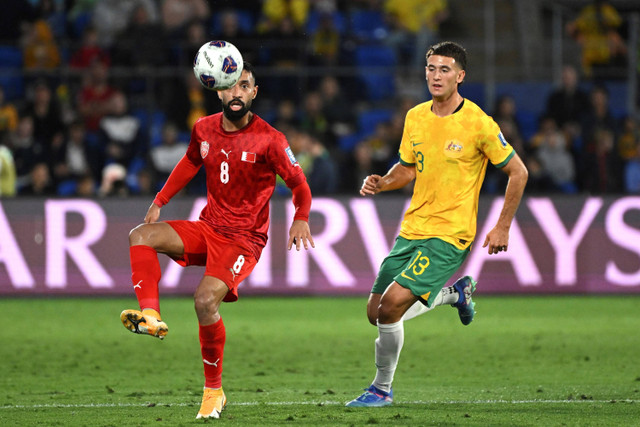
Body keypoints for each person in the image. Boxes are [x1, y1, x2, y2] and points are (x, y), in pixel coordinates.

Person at [119, 62, 315, 419]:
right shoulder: (204, 128)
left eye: (244, 86)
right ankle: (149, 314)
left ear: (254, 92)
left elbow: (300, 185)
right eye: (229, 86)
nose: (235, 93)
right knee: (140, 235)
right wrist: (159, 201)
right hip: (209, 227)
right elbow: (190, 162)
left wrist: (300, 218)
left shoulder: (271, 139)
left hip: (244, 240)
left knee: (205, 301)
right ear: (217, 89)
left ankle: (213, 392)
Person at [345, 41, 528, 407]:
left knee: (393, 306)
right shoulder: (415, 117)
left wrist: (503, 225)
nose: (436, 75)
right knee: (375, 312)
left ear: (460, 76)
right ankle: (454, 294)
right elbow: (409, 168)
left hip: (451, 233)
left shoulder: (478, 122)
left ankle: (381, 389)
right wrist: (383, 181)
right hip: (413, 228)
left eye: (445, 69)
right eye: (431, 68)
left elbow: (518, 172)